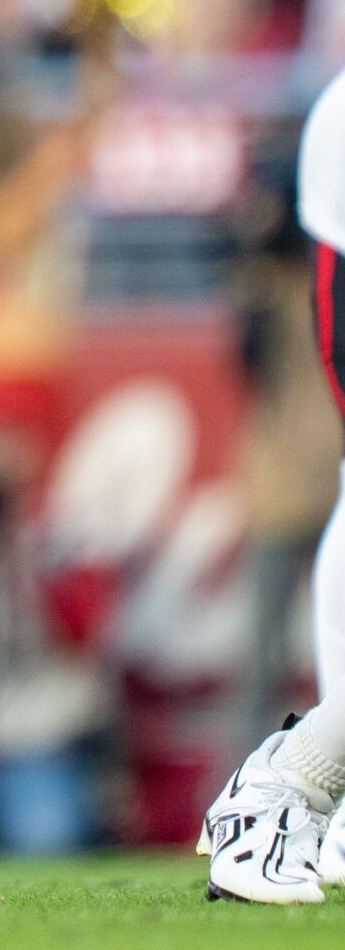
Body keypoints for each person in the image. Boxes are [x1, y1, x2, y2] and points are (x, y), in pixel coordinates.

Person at [201, 68, 345, 903]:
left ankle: (284, 793)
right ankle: (268, 796)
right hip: (287, 486)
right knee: (256, 663)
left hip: (310, 480)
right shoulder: (272, 283)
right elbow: (251, 356)